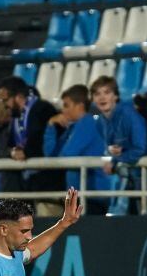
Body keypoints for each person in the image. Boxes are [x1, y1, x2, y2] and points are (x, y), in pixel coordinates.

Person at [0, 76, 60, 216]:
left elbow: (42, 139)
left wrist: (26, 152)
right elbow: (9, 145)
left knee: (48, 229)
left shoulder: (43, 108)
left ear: (18, 96)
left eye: (5, 100)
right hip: (27, 186)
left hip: (48, 185)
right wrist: (13, 152)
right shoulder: (14, 118)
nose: (3, 105)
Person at [43, 84, 107, 212]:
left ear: (80, 106)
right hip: (81, 195)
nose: (63, 110)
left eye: (67, 105)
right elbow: (50, 155)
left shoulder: (88, 123)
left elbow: (66, 156)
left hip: (92, 195)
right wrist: (50, 126)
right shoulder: (72, 128)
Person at [90, 75, 147, 215]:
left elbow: (141, 148)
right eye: (97, 94)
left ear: (115, 96)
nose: (102, 98)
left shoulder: (129, 114)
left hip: (143, 178)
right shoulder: (100, 121)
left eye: (107, 92)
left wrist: (116, 160)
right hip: (124, 178)